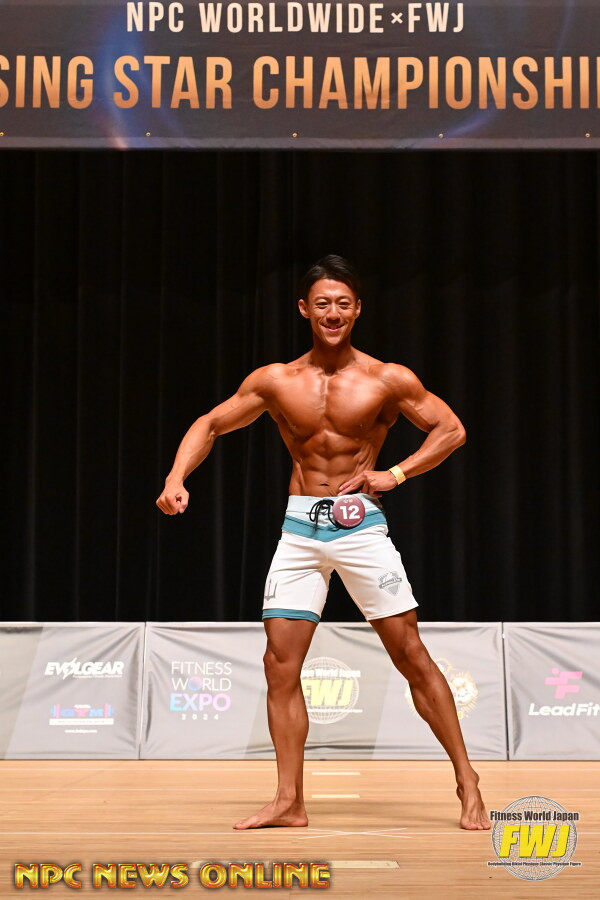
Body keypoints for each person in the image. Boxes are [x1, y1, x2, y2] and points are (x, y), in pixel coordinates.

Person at [156, 254, 491, 832]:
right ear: (304, 310)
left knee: (410, 655)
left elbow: (452, 429)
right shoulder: (275, 381)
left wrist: (396, 474)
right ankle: (289, 800)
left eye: (342, 303)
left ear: (357, 310)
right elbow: (210, 423)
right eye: (322, 304)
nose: (332, 313)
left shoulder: (388, 378)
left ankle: (468, 780)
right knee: (279, 664)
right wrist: (175, 477)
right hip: (299, 531)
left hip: (361, 528)